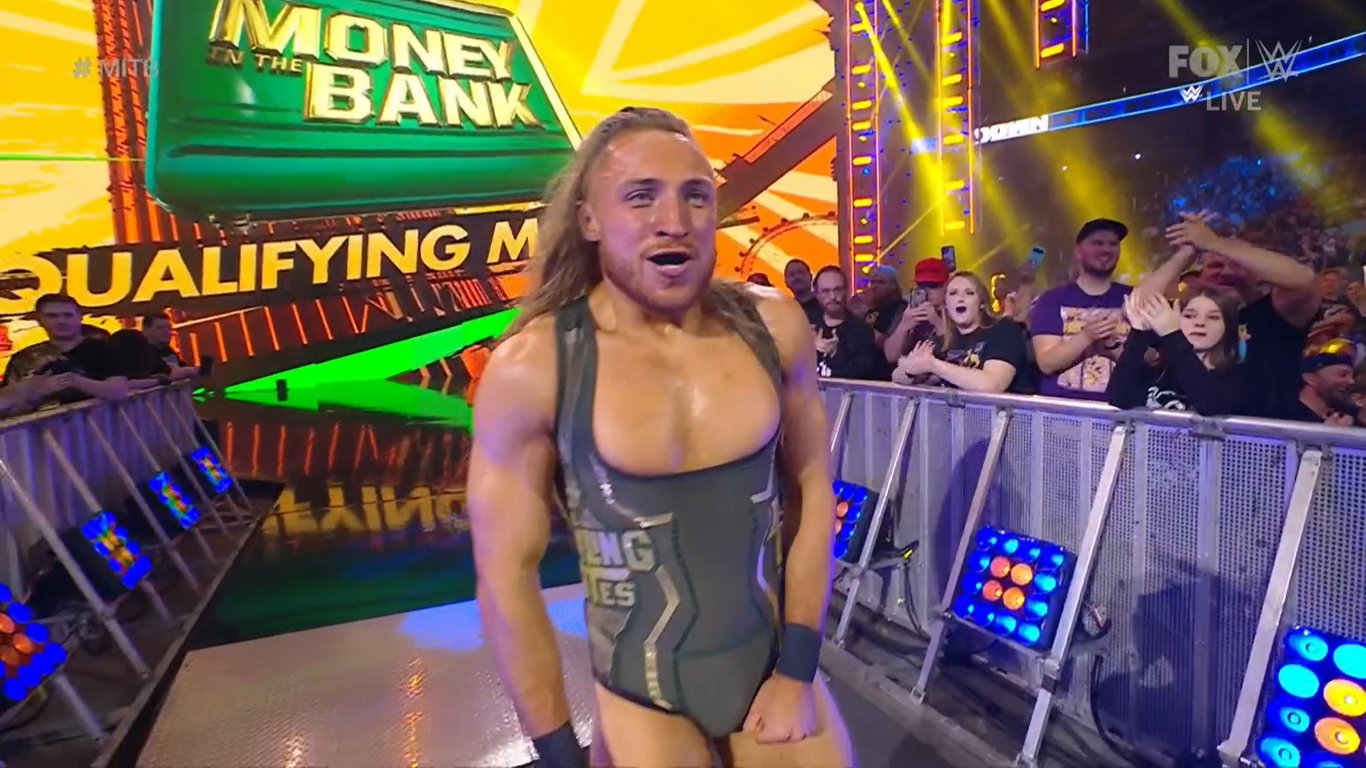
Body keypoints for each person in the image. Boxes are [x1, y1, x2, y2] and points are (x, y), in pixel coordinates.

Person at [468, 107, 852, 768]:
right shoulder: (537, 367)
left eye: (695, 196)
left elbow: (814, 488)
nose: (674, 220)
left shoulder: (774, 328)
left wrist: (797, 667)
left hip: (770, 672)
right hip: (641, 697)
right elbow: (506, 577)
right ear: (589, 219)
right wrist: (559, 753)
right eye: (641, 196)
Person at [1143, 212, 1320, 420]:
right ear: (1201, 273)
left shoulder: (1273, 315)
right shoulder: (1183, 316)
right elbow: (1139, 305)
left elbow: (1305, 281)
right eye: (1216, 265)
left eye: (1238, 265)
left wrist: (1214, 244)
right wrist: (1186, 253)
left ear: (1258, 274)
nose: (1227, 273)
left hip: (1262, 436)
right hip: (1181, 433)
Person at [1029, 219, 1132, 400]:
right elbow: (1046, 363)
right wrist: (1086, 337)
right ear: (1078, 252)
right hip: (1064, 409)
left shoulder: (1132, 298)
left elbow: (1150, 362)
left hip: (1120, 409)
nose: (1106, 250)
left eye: (1113, 244)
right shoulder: (1052, 300)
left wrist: (1113, 346)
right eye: (1097, 243)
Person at [1106, 289, 1247, 415]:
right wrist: (1139, 333)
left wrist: (1172, 334)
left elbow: (1209, 404)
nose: (1200, 323)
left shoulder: (1236, 373)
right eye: (1189, 316)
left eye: (1213, 317)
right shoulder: (1161, 370)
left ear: (1227, 325)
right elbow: (1119, 399)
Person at [893, 272, 1030, 394]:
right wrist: (911, 371)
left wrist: (934, 365)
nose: (960, 298)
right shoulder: (944, 339)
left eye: (969, 293)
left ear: (981, 303)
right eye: (953, 293)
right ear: (946, 304)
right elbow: (897, 376)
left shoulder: (1004, 330)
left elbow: (992, 384)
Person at [3, 294, 128, 404]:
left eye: (68, 315)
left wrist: (73, 381)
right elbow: (5, 402)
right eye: (52, 316)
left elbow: (118, 391)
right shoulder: (23, 358)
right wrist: (35, 390)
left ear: (79, 317)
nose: (61, 321)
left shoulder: (103, 350)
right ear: (39, 320)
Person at [811, 266, 882, 380]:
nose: (832, 297)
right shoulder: (807, 326)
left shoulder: (861, 331)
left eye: (837, 289)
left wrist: (834, 354)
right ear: (817, 294)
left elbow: (861, 376)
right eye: (825, 291)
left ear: (846, 291)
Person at [881, 257, 950, 366]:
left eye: (933, 286)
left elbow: (959, 352)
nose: (927, 291)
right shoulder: (908, 311)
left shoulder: (955, 311)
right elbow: (891, 356)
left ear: (947, 285)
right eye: (921, 286)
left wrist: (937, 323)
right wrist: (903, 326)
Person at [1288, 340, 1363, 427]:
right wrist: (1328, 432)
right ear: (1311, 378)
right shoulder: (1283, 415)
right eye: (1343, 375)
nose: (1351, 381)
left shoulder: (1348, 417)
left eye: (1352, 376)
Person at [782, 259, 822, 323]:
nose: (797, 277)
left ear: (811, 276)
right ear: (786, 282)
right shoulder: (784, 312)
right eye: (792, 274)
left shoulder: (825, 303)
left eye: (801, 272)